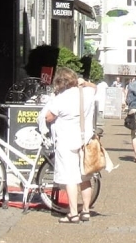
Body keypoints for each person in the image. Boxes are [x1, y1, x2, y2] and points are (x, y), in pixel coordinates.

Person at [37, 67, 97, 223]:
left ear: (60, 83)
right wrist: (84, 83)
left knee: (71, 178)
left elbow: (49, 118)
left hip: (67, 141)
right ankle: (85, 210)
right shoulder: (87, 93)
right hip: (85, 140)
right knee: (85, 177)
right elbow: (95, 87)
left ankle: (73, 213)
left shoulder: (60, 99)